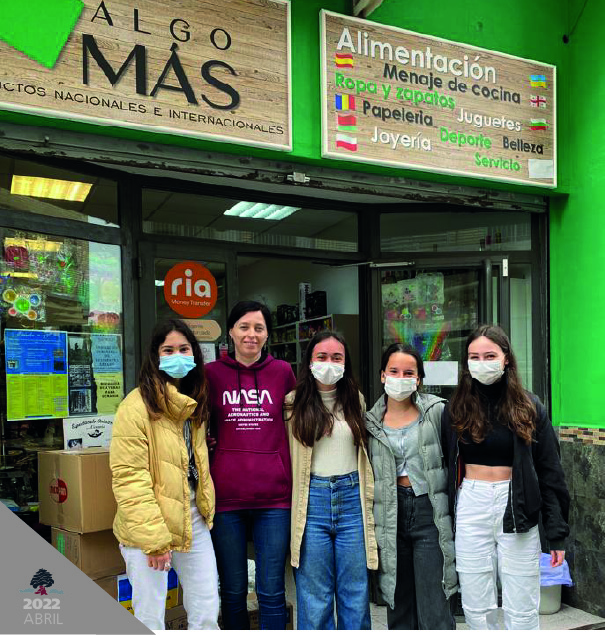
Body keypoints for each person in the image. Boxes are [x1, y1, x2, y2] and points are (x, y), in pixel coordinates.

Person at [441, 324, 570, 630]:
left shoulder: (529, 406)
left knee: (522, 601)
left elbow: (550, 473)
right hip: (471, 502)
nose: (481, 362)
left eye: (490, 355)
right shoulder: (455, 407)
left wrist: (556, 534)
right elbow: (447, 461)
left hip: (517, 503)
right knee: (476, 602)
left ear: (506, 358)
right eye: (474, 356)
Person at [110, 319, 219, 630]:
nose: (177, 356)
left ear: (194, 353)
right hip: (148, 527)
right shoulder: (135, 407)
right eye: (168, 350)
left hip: (193, 517)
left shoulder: (194, 401)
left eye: (184, 349)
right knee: (150, 617)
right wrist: (155, 542)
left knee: (207, 607)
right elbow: (129, 478)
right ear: (155, 356)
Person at [205, 300, 296, 630]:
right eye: (244, 327)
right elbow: (199, 425)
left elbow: (296, 424)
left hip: (274, 500)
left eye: (259, 328)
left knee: (272, 592)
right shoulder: (211, 374)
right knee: (232, 592)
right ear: (231, 331)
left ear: (267, 334)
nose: (251, 334)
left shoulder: (283, 372)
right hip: (226, 499)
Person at [286, 330, 378, 630]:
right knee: (315, 597)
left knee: (355, 592)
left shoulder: (356, 400)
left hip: (352, 500)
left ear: (345, 363)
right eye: (322, 356)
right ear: (309, 361)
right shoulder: (292, 403)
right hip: (312, 501)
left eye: (337, 357)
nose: (329, 363)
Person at [366, 343, 457, 630]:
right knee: (399, 600)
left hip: (428, 511)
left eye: (409, 373)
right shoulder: (369, 421)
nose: (401, 378)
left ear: (418, 379)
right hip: (390, 513)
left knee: (435, 602)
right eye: (394, 371)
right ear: (382, 375)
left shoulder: (436, 411)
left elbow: (453, 463)